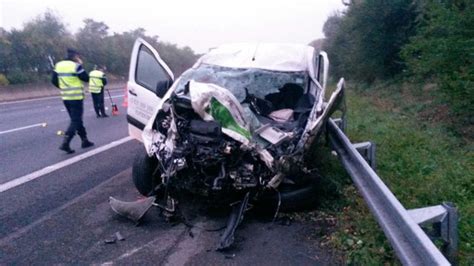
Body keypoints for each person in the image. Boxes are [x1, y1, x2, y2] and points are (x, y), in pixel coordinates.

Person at [51, 48, 94, 154]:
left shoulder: (58, 65)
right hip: (76, 97)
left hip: (65, 97)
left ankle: (84, 140)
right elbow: (86, 78)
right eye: (78, 56)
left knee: (76, 120)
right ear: (75, 56)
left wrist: (62, 87)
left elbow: (53, 80)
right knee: (76, 120)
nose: (79, 58)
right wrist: (81, 65)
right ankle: (66, 142)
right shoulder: (76, 66)